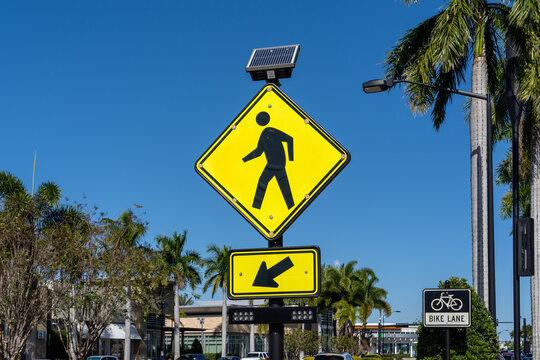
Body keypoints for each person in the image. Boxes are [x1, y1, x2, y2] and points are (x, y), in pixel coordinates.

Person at [243, 111, 294, 209]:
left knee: (263, 181)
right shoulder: (264, 134)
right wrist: (244, 160)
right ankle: (291, 206)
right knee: (284, 186)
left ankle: (256, 207)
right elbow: (258, 152)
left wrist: (291, 158)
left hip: (275, 163)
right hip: (275, 163)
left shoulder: (271, 131)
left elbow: (289, 139)